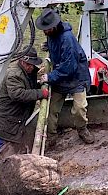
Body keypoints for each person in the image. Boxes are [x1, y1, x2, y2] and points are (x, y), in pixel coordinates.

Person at [35, 8, 94, 144]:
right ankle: (51, 135)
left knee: (79, 109)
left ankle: (82, 129)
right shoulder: (52, 34)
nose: (45, 32)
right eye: (44, 29)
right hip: (60, 77)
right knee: (51, 109)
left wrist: (49, 77)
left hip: (75, 77)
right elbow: (59, 50)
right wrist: (49, 47)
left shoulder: (67, 38)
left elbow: (69, 67)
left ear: (55, 26)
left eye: (48, 29)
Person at [0, 47, 49, 174]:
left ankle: (5, 171)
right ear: (23, 62)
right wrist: (40, 93)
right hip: (4, 120)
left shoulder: (26, 72)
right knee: (3, 147)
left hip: (13, 118)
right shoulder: (14, 74)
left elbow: (26, 87)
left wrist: (38, 85)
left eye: (33, 65)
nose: (32, 68)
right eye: (30, 65)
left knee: (10, 146)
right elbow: (18, 94)